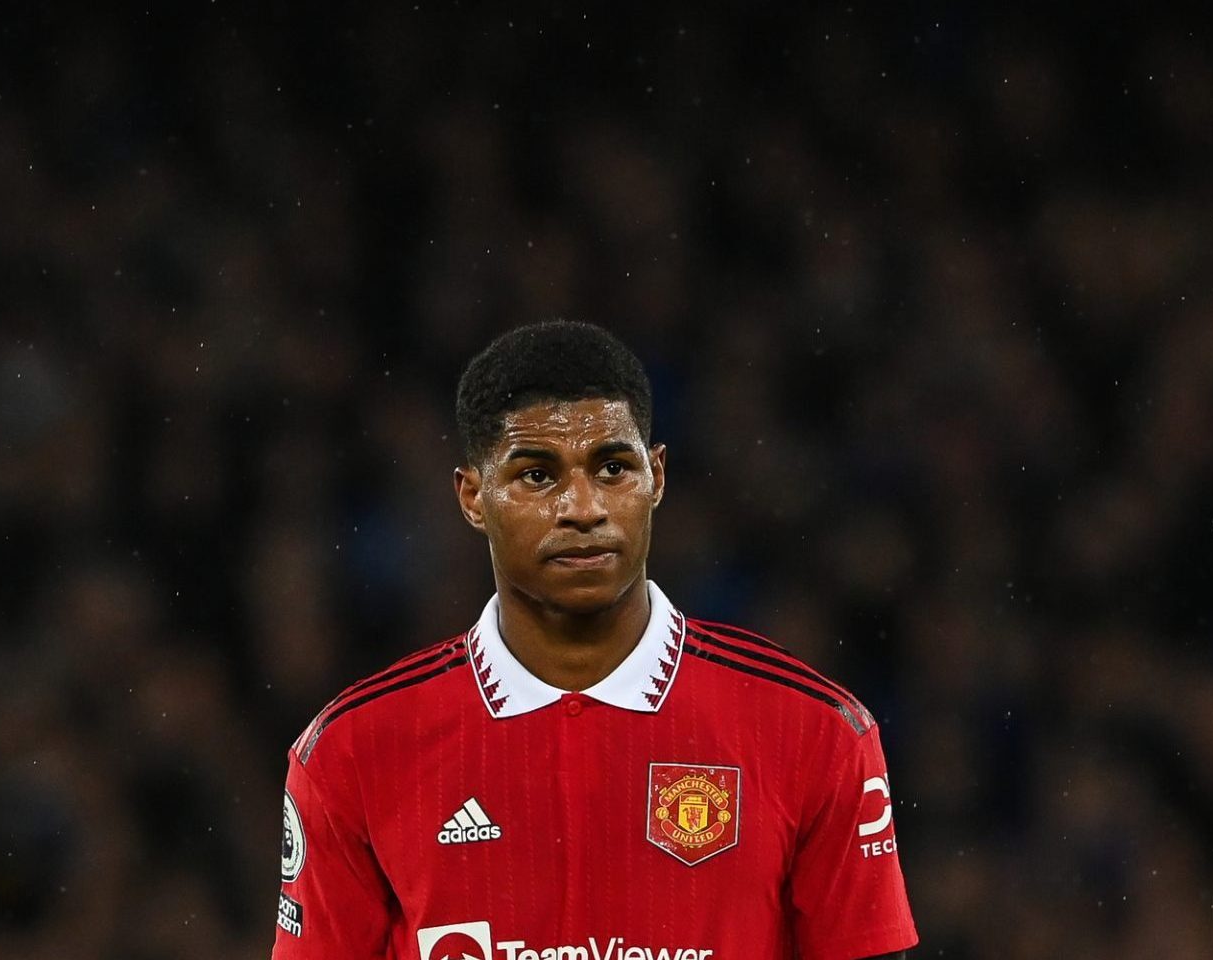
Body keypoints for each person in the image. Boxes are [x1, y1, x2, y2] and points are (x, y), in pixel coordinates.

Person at [274, 321, 916, 960]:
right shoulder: (351, 754)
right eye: (536, 474)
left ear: (656, 477)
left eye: (612, 467)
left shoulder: (815, 732)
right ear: (473, 496)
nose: (583, 507)